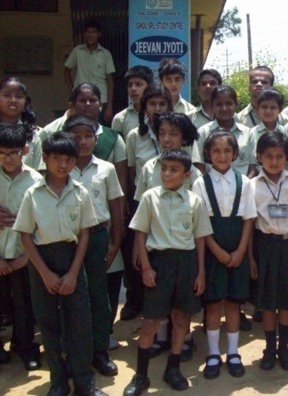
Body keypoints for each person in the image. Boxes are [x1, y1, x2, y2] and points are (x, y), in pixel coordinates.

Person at [14, 131, 106, 396]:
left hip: (72, 258)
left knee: (80, 323)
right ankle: (58, 381)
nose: (62, 165)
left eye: (68, 159)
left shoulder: (80, 193)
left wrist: (74, 273)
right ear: (45, 158)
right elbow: (25, 235)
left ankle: (84, 381)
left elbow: (85, 233)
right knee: (49, 323)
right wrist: (45, 273)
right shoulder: (33, 194)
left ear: (75, 161)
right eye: (56, 158)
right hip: (41, 261)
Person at [125, 150, 209, 394]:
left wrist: (200, 272)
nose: (167, 174)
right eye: (164, 169)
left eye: (174, 170)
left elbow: (200, 238)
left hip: (186, 263)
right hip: (159, 263)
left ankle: (173, 368)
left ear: (187, 174)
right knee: (151, 320)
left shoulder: (195, 201)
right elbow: (140, 233)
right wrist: (146, 267)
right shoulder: (149, 197)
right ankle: (141, 376)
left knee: (181, 318)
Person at [191, 130, 256, 379]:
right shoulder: (200, 183)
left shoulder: (245, 182)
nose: (222, 156)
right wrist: (217, 251)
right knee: (213, 303)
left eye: (227, 151)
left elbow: (248, 219)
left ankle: (233, 352)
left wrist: (241, 251)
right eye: (216, 151)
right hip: (212, 251)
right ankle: (213, 353)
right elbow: (200, 224)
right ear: (208, 154)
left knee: (233, 302)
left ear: (235, 153)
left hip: (237, 250)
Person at [64, 116, 123, 378]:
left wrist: (116, 241)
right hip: (68, 239)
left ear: (96, 140)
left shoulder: (106, 169)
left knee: (99, 295)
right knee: (71, 297)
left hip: (98, 236)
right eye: (76, 137)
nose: (83, 141)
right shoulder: (61, 168)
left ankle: (100, 351)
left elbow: (115, 205)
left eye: (88, 136)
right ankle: (73, 352)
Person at [249, 132, 288, 371]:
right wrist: (251, 257)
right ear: (259, 156)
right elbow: (249, 224)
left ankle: (284, 348)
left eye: (279, 156)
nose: (274, 161)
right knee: (268, 301)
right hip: (264, 246)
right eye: (268, 156)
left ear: (287, 158)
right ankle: (269, 348)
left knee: (286, 299)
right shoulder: (251, 186)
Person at [122, 85, 172, 321]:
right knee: (139, 256)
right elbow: (131, 171)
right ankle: (138, 303)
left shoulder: (178, 133)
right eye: (152, 104)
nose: (157, 108)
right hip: (142, 202)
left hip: (173, 206)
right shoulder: (134, 136)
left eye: (162, 104)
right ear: (144, 108)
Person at [0, 124, 42, 371]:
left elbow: (41, 224)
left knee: (24, 303)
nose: (7, 158)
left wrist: (26, 258)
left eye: (13, 153)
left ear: (24, 150)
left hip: (24, 254)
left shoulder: (35, 181)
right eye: (2, 153)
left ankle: (25, 346)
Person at [63, 19, 115, 124]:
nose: (90, 35)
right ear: (84, 34)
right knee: (80, 126)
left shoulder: (105, 54)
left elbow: (110, 80)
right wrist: (73, 91)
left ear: (99, 34)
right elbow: (66, 71)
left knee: (98, 128)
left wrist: (109, 106)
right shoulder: (77, 51)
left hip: (100, 100)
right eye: (88, 32)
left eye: (93, 32)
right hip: (80, 99)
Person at [195, 86, 250, 176]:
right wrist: (207, 183)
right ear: (212, 106)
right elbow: (199, 165)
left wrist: (244, 183)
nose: (224, 108)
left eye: (229, 104)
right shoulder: (203, 132)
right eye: (219, 104)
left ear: (236, 104)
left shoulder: (247, 133)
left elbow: (252, 166)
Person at [0, 76, 43, 170]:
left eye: (19, 96)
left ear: (25, 103)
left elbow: (38, 170)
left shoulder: (34, 134)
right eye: (7, 95)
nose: (13, 100)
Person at [246, 89, 285, 178]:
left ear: (280, 110)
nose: (268, 111)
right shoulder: (250, 133)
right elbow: (252, 165)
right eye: (264, 107)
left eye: (273, 107)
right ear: (258, 109)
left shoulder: (285, 132)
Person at [111, 65, 154, 140]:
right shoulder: (120, 118)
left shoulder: (159, 114)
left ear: (149, 87)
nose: (133, 89)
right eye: (130, 85)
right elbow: (116, 146)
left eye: (138, 84)